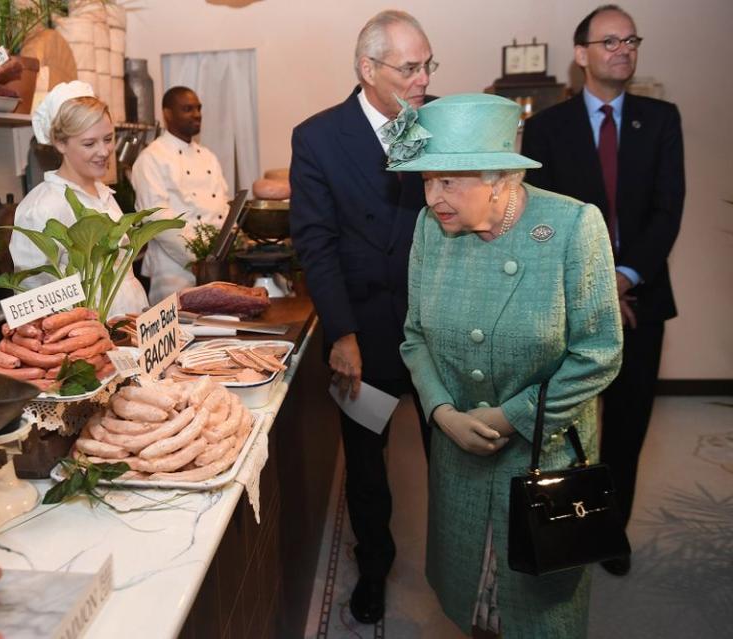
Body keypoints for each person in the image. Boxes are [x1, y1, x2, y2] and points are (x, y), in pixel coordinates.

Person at [389, 92, 623, 637]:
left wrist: (510, 416)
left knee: (537, 605)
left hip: (545, 451)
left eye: (450, 181)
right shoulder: (430, 228)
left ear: (502, 180)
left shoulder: (572, 226)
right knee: (472, 594)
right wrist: (442, 413)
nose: (434, 197)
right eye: (427, 180)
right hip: (458, 453)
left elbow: (599, 351)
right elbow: (415, 336)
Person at [521, 4, 684, 577]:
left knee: (629, 423)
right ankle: (568, 529)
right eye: (609, 40)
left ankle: (611, 532)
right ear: (581, 54)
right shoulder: (545, 128)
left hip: (641, 300)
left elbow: (667, 213)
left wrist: (622, 278)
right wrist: (594, 289)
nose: (623, 49)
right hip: (568, 305)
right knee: (566, 424)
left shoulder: (661, 120)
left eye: (631, 40)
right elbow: (540, 225)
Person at [289, 10, 435, 624]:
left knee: (451, 456)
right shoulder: (319, 137)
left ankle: (463, 565)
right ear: (368, 69)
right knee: (367, 467)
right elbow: (316, 243)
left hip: (434, 329)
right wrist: (342, 334)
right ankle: (372, 566)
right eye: (410, 67)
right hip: (365, 332)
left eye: (430, 64)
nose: (424, 79)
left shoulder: (433, 125)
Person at [11, 81, 149, 316]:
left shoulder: (103, 193)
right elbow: (30, 302)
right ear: (60, 143)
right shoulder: (41, 208)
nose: (104, 151)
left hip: (129, 327)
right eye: (89, 143)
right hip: (85, 339)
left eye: (108, 139)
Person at [131, 86, 230, 304]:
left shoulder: (208, 156)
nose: (197, 114)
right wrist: (199, 256)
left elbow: (223, 206)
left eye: (198, 108)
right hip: (174, 272)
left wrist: (221, 253)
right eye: (187, 109)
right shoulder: (151, 158)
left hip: (215, 268)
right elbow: (156, 218)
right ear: (167, 114)